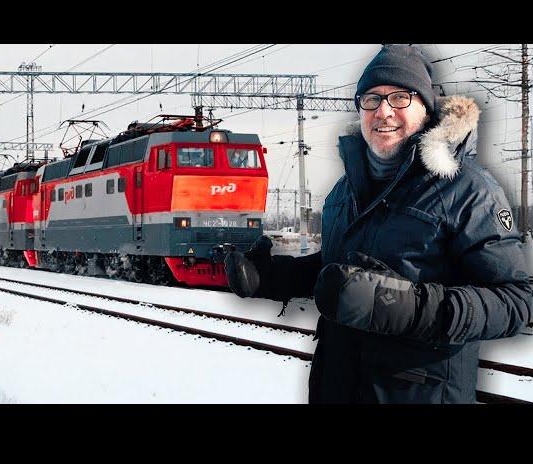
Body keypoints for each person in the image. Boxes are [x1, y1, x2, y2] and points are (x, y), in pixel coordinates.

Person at [224, 44, 533, 404]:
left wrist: (409, 308)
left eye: (400, 97)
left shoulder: (468, 189)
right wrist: (274, 276)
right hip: (338, 387)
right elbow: (345, 275)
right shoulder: (346, 189)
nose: (384, 111)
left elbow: (516, 300)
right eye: (371, 99)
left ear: (425, 108)